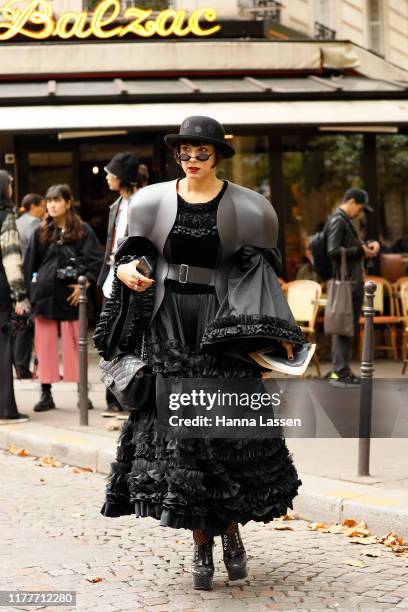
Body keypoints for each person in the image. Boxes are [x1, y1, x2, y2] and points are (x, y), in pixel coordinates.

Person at [95, 116, 304, 591]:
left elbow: (262, 275)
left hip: (221, 325)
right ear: (177, 155)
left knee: (222, 434)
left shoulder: (250, 207)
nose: (192, 161)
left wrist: (272, 334)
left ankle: (229, 531)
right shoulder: (150, 202)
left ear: (217, 156)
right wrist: (126, 271)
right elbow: (129, 255)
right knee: (185, 439)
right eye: (185, 153)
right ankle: (200, 542)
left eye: (202, 153)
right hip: (167, 323)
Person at [24, 184, 103, 412]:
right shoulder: (40, 231)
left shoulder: (83, 229)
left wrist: (84, 284)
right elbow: (30, 265)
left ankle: (82, 393)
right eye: (49, 201)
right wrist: (30, 293)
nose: (52, 205)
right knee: (44, 345)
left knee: (74, 345)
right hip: (45, 296)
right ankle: (46, 393)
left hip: (72, 295)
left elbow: (95, 262)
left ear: (68, 203)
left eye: (57, 200)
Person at [97, 152, 149, 414]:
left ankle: (130, 396)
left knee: (131, 337)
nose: (107, 177)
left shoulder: (144, 202)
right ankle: (113, 397)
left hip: (135, 279)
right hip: (113, 278)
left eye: (111, 173)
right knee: (110, 335)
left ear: (123, 177)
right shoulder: (115, 205)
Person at [326, 188, 379, 387]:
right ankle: (340, 372)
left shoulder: (344, 220)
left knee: (346, 326)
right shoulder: (339, 220)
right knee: (344, 327)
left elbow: (346, 245)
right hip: (347, 283)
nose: (360, 212)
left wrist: (367, 245)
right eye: (360, 208)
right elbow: (332, 250)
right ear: (352, 202)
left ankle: (341, 370)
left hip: (350, 281)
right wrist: (360, 251)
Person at [0, 171, 31, 422]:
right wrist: (20, 297)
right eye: (10, 185)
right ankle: (6, 409)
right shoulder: (6, 217)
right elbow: (11, 260)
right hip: (1, 293)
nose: (11, 189)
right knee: (3, 351)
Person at [13, 193, 46, 379]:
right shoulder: (34, 224)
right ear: (33, 207)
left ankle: (20, 367)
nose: (44, 210)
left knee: (18, 323)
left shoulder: (17, 222)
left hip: (14, 278)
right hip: (28, 279)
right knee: (27, 324)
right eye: (42, 206)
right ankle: (23, 368)